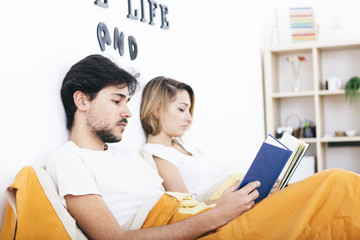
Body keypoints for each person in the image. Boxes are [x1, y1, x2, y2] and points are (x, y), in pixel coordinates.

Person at [47, 54, 360, 239]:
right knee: (335, 185)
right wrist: (216, 216)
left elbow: (180, 205)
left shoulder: (126, 155)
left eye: (127, 102)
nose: (128, 112)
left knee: (331, 193)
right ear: (82, 100)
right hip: (206, 230)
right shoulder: (69, 160)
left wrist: (226, 203)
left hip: (203, 220)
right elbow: (113, 239)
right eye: (117, 101)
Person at [139, 76, 276, 201]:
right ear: (156, 110)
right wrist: (242, 198)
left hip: (238, 189)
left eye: (189, 110)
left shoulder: (182, 144)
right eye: (182, 109)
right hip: (231, 201)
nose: (189, 118)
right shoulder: (158, 153)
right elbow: (187, 206)